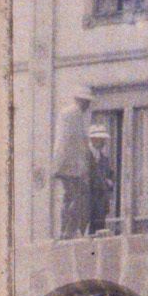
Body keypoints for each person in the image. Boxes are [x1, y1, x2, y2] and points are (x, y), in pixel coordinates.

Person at [53, 92, 94, 238]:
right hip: (70, 166)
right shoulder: (70, 115)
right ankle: (68, 230)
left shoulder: (78, 116)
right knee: (75, 197)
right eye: (86, 102)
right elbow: (64, 141)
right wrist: (58, 165)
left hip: (73, 166)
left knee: (71, 197)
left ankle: (67, 230)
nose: (88, 105)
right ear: (80, 100)